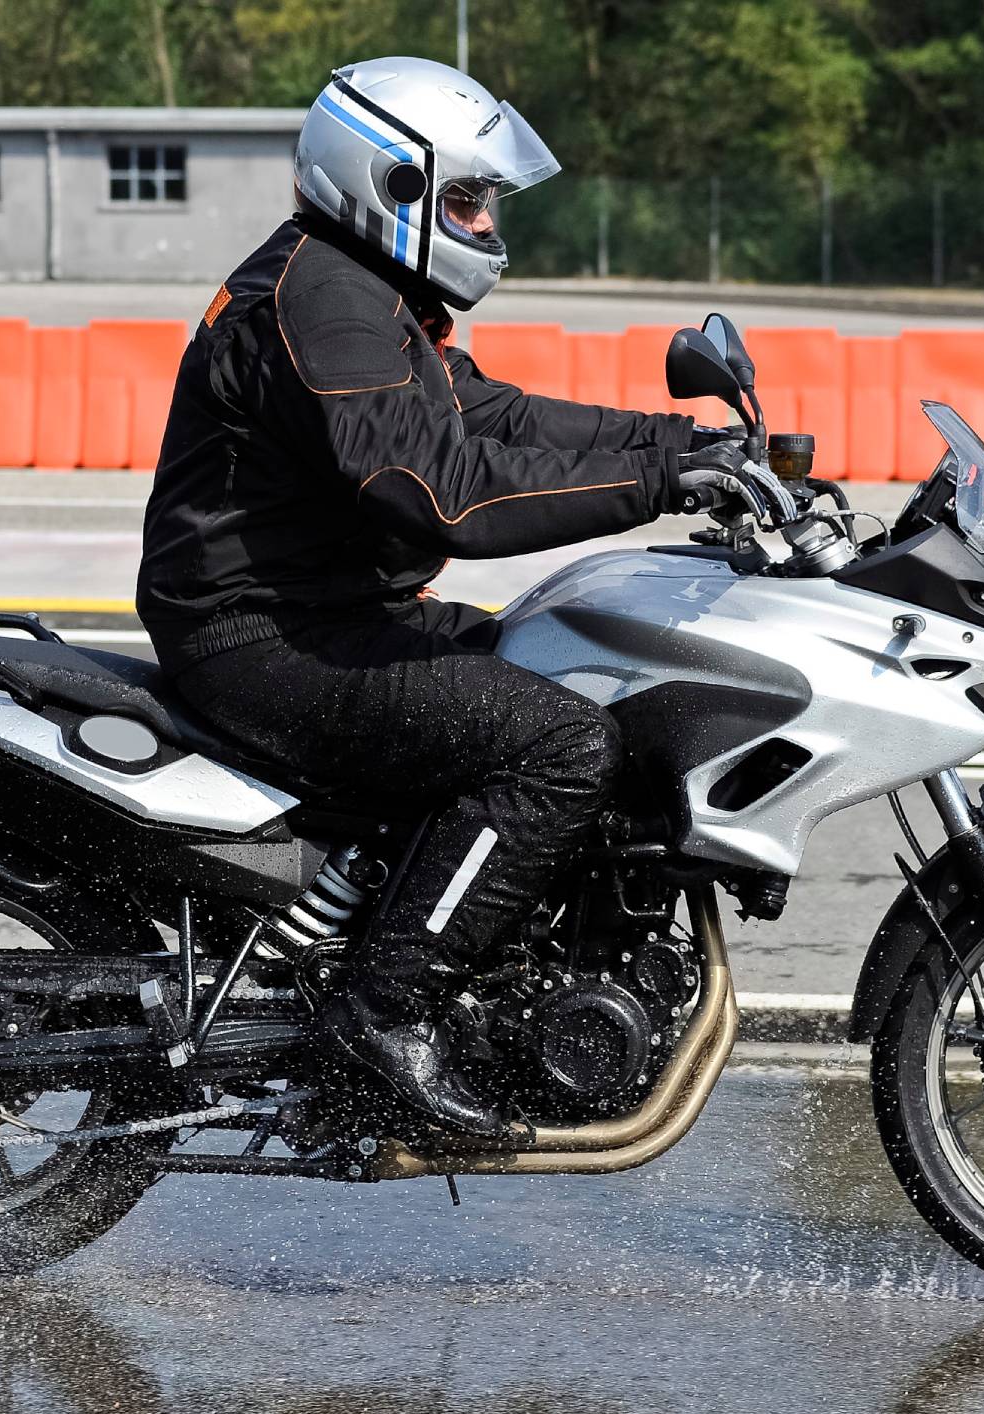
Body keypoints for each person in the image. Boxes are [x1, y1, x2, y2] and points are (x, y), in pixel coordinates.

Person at [137, 56, 782, 1137]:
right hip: (266, 637)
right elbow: (447, 496)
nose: (484, 224)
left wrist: (694, 444)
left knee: (563, 674)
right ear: (389, 183)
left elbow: (494, 419)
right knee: (558, 747)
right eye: (467, 200)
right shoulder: (328, 303)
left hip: (324, 616)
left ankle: (449, 969)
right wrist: (662, 483)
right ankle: (380, 1016)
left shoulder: (354, 290)